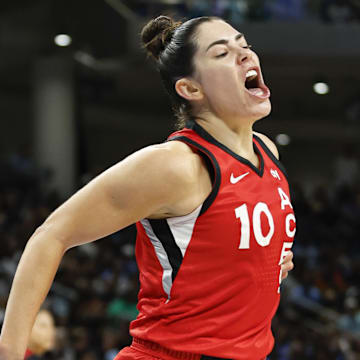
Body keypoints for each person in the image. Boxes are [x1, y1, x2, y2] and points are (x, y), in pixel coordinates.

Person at [0, 14, 295, 360]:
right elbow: (52, 235)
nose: (245, 55)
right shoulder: (178, 164)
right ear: (190, 89)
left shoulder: (267, 151)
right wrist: (10, 351)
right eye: (222, 53)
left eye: (244, 45)